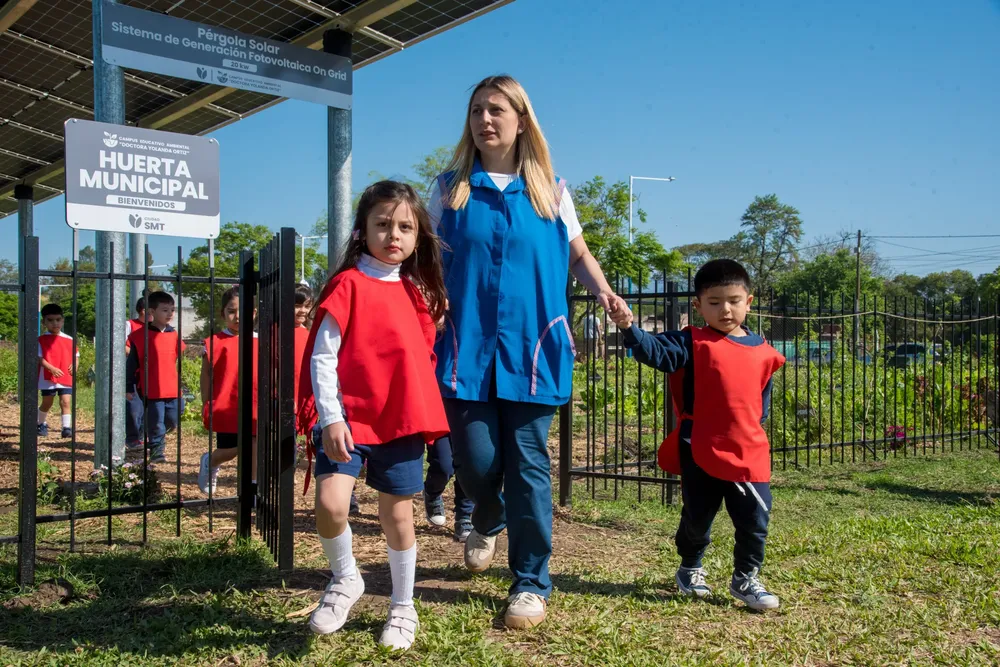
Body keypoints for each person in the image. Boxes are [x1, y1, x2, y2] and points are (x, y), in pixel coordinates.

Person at [429, 74, 626, 629]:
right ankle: (487, 518)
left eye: (496, 110)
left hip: (534, 350)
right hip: (466, 348)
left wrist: (605, 291)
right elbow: (428, 261)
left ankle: (531, 583)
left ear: (521, 120)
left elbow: (579, 255)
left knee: (530, 466)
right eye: (475, 111)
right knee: (475, 464)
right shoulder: (449, 189)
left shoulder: (552, 192)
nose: (485, 121)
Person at [296, 180, 449, 651]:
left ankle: (403, 604)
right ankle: (346, 578)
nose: (394, 235)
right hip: (345, 421)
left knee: (397, 518)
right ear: (362, 230)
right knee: (330, 506)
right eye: (383, 224)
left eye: (405, 226)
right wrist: (331, 418)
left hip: (399, 422)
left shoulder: (416, 292)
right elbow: (323, 359)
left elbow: (419, 357)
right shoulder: (346, 284)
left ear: (418, 236)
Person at [608, 259, 786, 611]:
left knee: (755, 517)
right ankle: (690, 568)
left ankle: (746, 578)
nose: (726, 309)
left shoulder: (764, 351)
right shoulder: (691, 342)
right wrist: (629, 327)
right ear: (698, 305)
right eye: (715, 302)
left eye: (734, 300)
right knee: (697, 518)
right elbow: (655, 352)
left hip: (748, 450)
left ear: (748, 302)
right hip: (699, 446)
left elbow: (760, 404)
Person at [296, 283, 359, 516]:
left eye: (305, 305)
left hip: (353, 404)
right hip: (321, 402)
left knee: (349, 450)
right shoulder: (319, 332)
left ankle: (348, 493)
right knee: (333, 448)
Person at [198, 288, 258, 496]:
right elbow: (206, 375)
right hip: (225, 405)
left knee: (255, 445)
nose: (238, 316)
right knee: (232, 450)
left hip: (255, 405)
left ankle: (252, 488)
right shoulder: (214, 342)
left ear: (254, 312)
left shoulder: (262, 340)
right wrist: (206, 402)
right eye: (231, 311)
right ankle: (212, 460)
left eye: (244, 310)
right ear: (223, 313)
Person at [126, 291, 186, 464]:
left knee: (173, 419)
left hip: (172, 387)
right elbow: (132, 365)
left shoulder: (174, 335)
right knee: (157, 422)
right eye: (165, 310)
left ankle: (152, 433)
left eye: (172, 310)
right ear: (151, 312)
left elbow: (176, 360)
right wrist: (129, 387)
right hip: (150, 388)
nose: (170, 314)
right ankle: (157, 450)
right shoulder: (139, 336)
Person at [423, 435, 474, 541]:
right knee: (444, 466)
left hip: (469, 420)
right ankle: (432, 493)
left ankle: (464, 515)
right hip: (441, 423)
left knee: (469, 465)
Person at [37, 303, 77, 438]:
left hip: (66, 376)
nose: (55, 323)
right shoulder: (40, 340)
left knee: (65, 401)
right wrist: (51, 368)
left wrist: (75, 365)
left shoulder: (69, 339)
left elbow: (76, 356)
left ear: (63, 320)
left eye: (58, 319)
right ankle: (40, 423)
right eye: (50, 320)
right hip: (48, 378)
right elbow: (39, 358)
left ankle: (66, 428)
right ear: (44, 322)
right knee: (47, 402)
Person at [125, 297, 149, 451]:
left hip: (149, 373)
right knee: (134, 407)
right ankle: (133, 439)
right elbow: (122, 345)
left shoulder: (157, 327)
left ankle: (143, 436)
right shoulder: (130, 325)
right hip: (134, 371)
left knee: (148, 407)